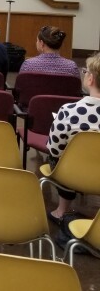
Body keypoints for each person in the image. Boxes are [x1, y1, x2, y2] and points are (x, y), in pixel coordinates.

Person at [47, 53, 100, 224]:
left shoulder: (69, 111)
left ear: (90, 79)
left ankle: (62, 210)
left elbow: (54, 148)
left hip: (72, 173)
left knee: (58, 158)